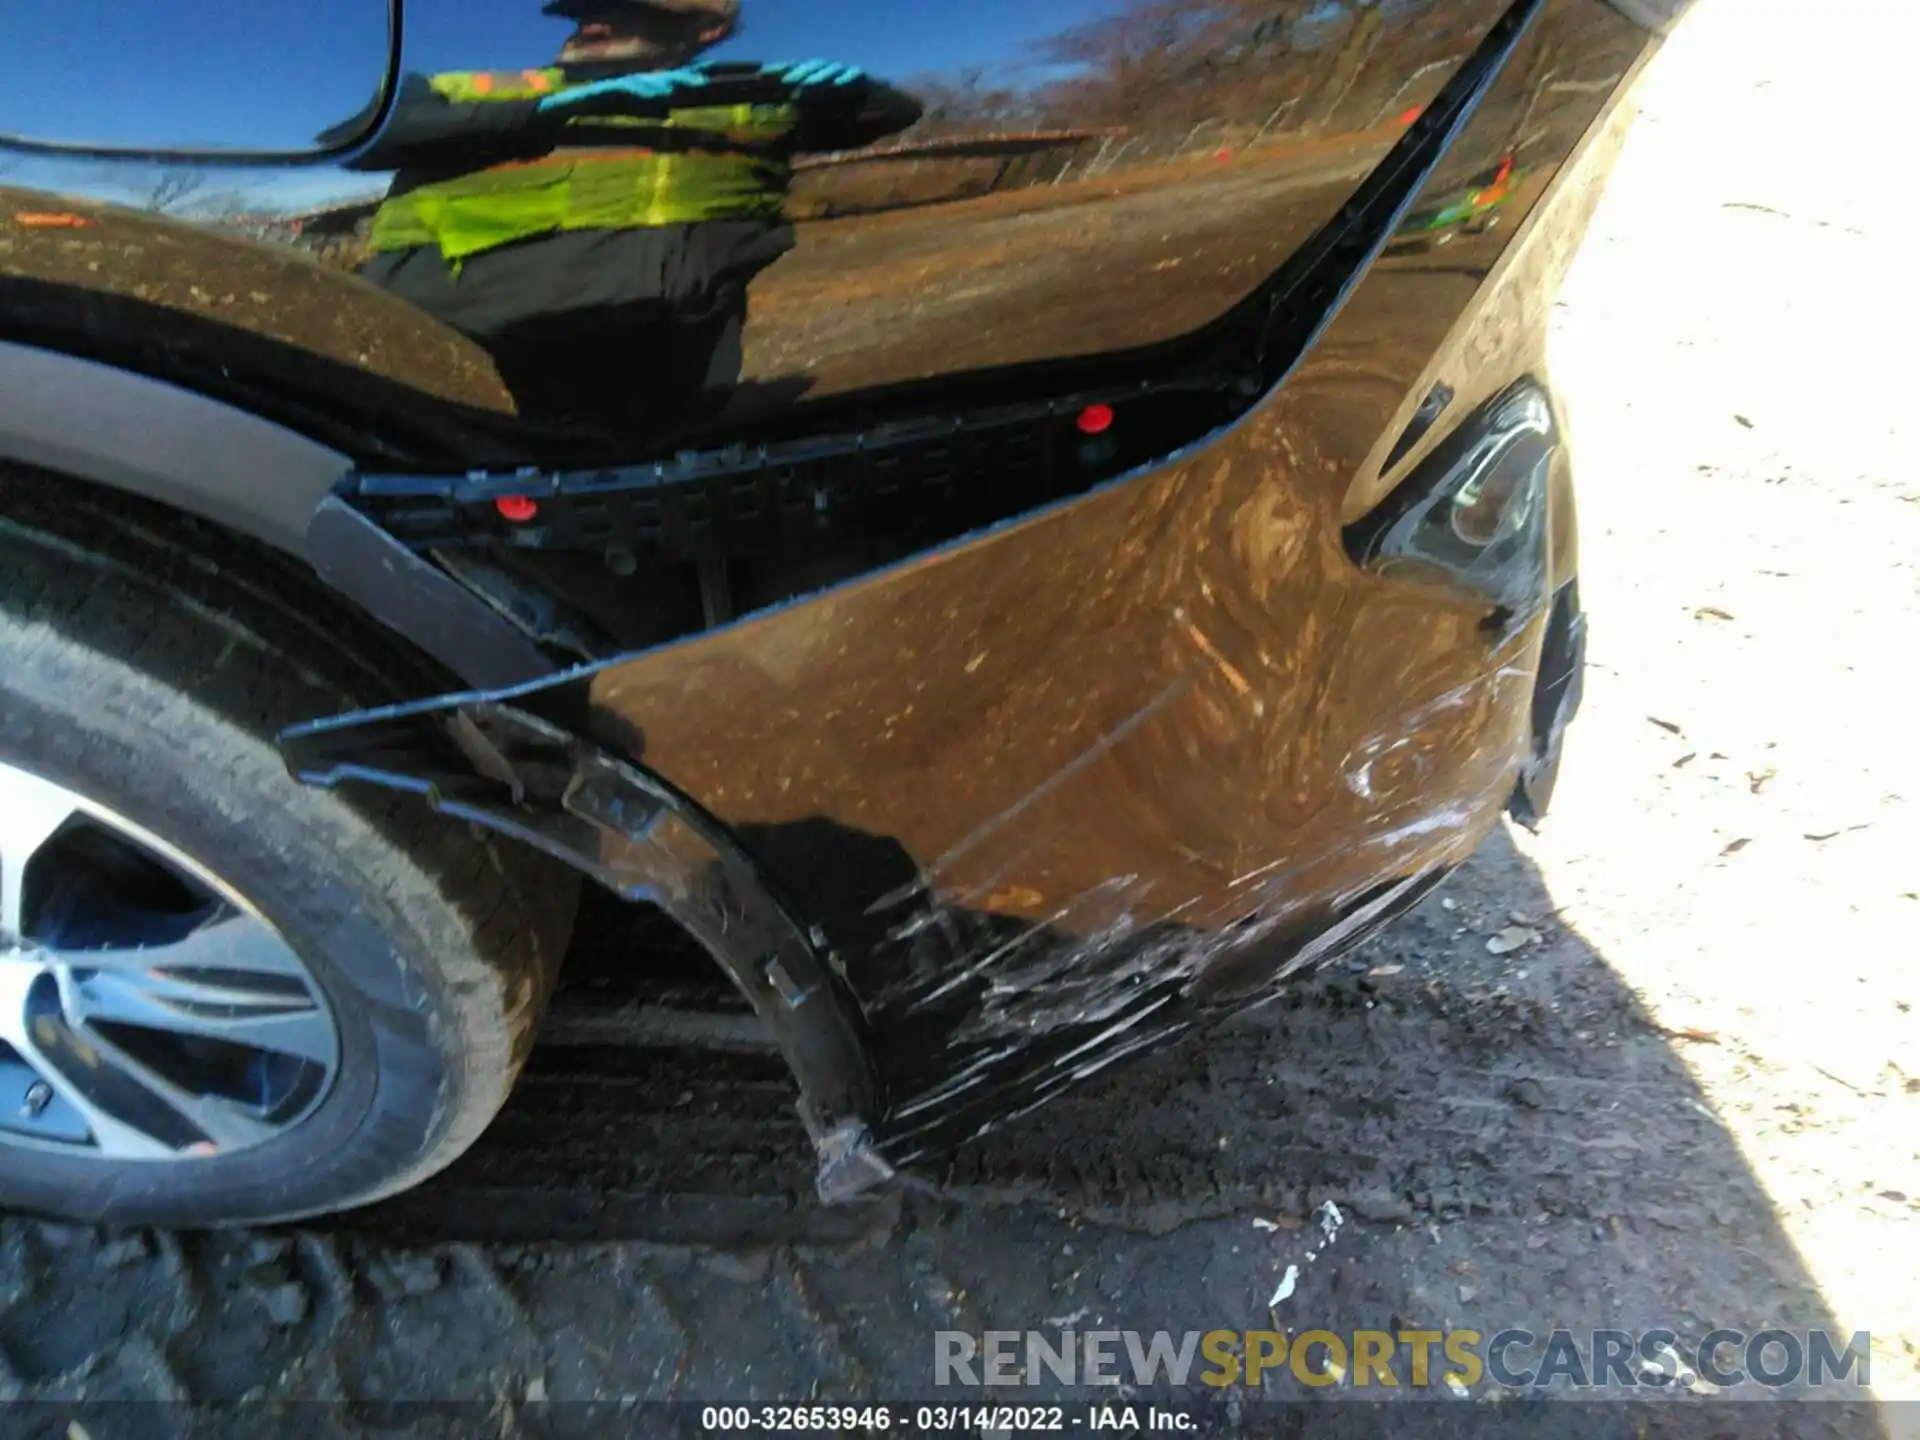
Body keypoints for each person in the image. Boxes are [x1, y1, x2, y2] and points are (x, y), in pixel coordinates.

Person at [345, 0, 921, 434]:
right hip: (446, 365)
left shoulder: (747, 101)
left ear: (705, 32)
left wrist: (854, 92)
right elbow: (358, 134)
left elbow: (889, 114)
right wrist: (538, 112)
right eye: (587, 9)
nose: (593, 21)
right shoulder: (476, 90)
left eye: (623, 10)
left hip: (667, 389)